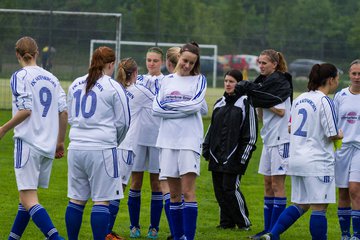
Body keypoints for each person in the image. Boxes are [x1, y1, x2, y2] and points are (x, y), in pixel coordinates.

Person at [260, 63, 343, 240]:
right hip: (317, 160)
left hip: (296, 159)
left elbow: (290, 128)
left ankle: (272, 235)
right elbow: (332, 133)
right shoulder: (324, 101)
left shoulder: (300, 99)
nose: (338, 81)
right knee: (319, 207)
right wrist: (340, 133)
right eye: (337, 78)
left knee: (301, 204)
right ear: (330, 80)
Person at [0, 36, 67, 240]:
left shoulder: (19, 76)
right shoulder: (52, 78)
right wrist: (60, 141)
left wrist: (3, 129)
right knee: (26, 199)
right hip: (47, 146)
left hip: (28, 143)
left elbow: (25, 110)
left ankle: (56, 238)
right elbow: (64, 113)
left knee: (29, 199)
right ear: (37, 53)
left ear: (17, 54)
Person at [65, 46, 130, 240]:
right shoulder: (113, 86)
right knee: (102, 202)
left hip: (75, 147)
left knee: (76, 200)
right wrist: (113, 141)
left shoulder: (75, 84)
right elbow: (124, 122)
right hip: (101, 148)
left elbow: (71, 117)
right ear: (111, 64)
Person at [152, 41, 208, 240]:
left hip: (189, 141)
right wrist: (180, 108)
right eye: (185, 61)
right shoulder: (165, 81)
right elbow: (156, 109)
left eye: (192, 63)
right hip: (167, 141)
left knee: (188, 192)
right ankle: (178, 237)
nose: (187, 66)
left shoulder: (199, 80)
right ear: (179, 57)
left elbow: (195, 107)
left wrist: (170, 108)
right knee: (173, 196)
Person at [239, 50, 292, 239]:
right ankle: (267, 228)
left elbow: (280, 111)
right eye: (259, 63)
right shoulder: (262, 84)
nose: (261, 66)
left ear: (274, 65)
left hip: (281, 140)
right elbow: (262, 115)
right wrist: (257, 101)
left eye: (264, 63)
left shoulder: (281, 83)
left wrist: (260, 99)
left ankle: (274, 231)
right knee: (267, 184)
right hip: (268, 139)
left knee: (278, 185)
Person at [202, 69, 258, 230]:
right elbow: (211, 129)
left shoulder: (246, 103)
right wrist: (207, 149)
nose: (227, 84)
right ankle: (226, 223)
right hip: (216, 156)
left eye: (231, 81)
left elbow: (251, 135)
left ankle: (243, 222)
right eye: (226, 81)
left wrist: (242, 157)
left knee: (230, 189)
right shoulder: (219, 103)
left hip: (235, 157)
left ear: (239, 83)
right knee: (220, 191)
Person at [127, 46, 164, 239]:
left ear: (162, 62)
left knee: (156, 183)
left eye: (155, 61)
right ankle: (134, 226)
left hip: (158, 138)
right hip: (138, 137)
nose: (151, 64)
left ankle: (154, 227)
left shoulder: (166, 81)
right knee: (136, 181)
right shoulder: (138, 79)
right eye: (149, 60)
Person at [106, 57, 138, 240]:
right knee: (118, 189)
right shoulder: (135, 91)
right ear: (135, 73)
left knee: (109, 188)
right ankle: (107, 232)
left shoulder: (112, 88)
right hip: (125, 144)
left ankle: (106, 230)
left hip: (110, 143)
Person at [334, 59, 360, 240]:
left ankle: (357, 235)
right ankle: (345, 235)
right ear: (349, 75)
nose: (357, 77)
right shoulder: (340, 96)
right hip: (341, 149)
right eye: (354, 73)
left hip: (359, 149)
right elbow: (332, 123)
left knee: (354, 189)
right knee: (342, 191)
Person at [161, 46, 181, 240]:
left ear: (168, 63)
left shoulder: (166, 82)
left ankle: (177, 232)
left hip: (168, 139)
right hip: (186, 141)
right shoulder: (195, 81)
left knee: (168, 187)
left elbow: (158, 109)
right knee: (183, 191)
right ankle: (178, 233)